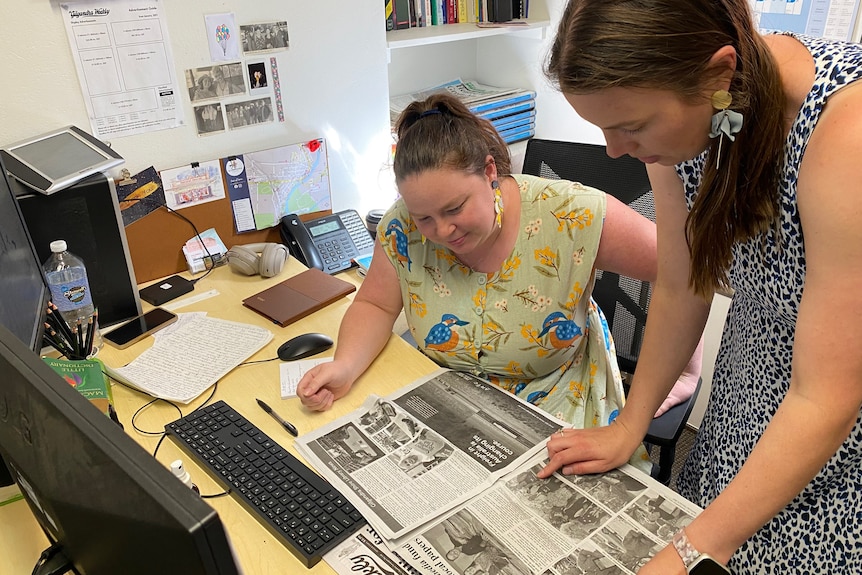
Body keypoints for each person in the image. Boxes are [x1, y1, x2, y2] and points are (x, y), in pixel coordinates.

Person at [538, 0, 862, 573]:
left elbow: (828, 396)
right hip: (748, 389)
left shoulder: (846, 133)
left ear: (718, 73)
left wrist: (693, 549)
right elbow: (682, 282)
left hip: (833, 430)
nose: (614, 150)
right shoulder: (702, 117)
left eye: (630, 126)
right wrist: (629, 424)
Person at [297, 92, 703, 474]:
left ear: (490, 171)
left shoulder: (570, 214)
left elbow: (687, 272)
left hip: (558, 418)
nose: (441, 230)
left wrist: (688, 370)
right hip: (448, 409)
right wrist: (345, 366)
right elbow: (376, 306)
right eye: (424, 217)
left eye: (455, 208)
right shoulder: (402, 227)